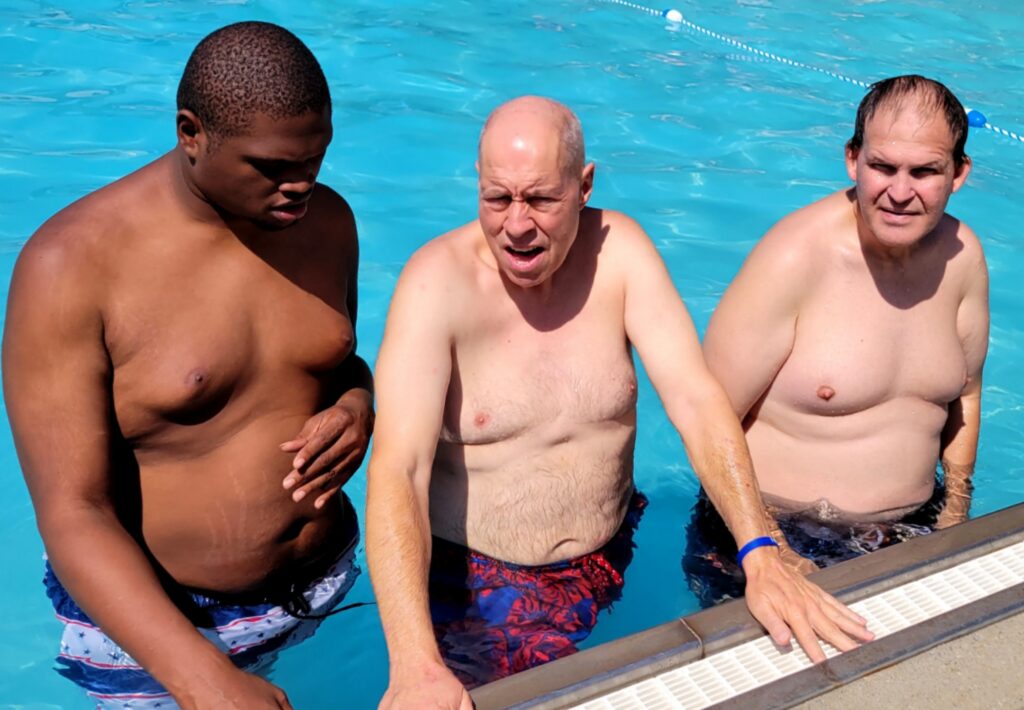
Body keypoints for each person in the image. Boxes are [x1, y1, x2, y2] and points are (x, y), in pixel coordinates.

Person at [365, 95, 872, 708]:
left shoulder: (620, 254)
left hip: (609, 557)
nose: (517, 225)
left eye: (541, 200)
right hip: (478, 590)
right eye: (497, 198)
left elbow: (695, 400)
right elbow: (398, 470)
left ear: (584, 186)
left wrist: (761, 551)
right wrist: (414, 663)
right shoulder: (435, 286)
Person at [3, 22, 373, 709]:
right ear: (191, 133)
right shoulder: (70, 269)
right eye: (272, 167)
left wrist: (358, 403)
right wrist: (204, 679)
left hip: (324, 580)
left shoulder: (326, 222)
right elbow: (73, 512)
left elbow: (336, 362)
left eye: (316, 158)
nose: (301, 185)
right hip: (164, 632)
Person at [696, 75, 989, 603]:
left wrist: (955, 517)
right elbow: (705, 419)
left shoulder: (962, 258)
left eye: (925, 172)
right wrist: (767, 547)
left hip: (912, 529)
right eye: (883, 167)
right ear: (853, 160)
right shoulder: (794, 258)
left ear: (959, 173)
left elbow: (966, 392)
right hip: (776, 533)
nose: (900, 193)